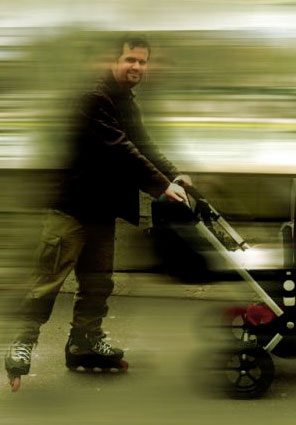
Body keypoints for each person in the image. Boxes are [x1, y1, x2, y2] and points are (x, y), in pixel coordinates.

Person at [5, 35, 191, 391]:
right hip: (72, 207)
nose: (137, 67)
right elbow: (120, 148)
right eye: (130, 60)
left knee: (97, 283)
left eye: (142, 61)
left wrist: (175, 173)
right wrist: (161, 185)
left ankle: (84, 342)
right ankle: (22, 343)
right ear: (113, 60)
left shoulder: (125, 102)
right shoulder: (93, 96)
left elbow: (144, 143)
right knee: (48, 280)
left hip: (102, 210)